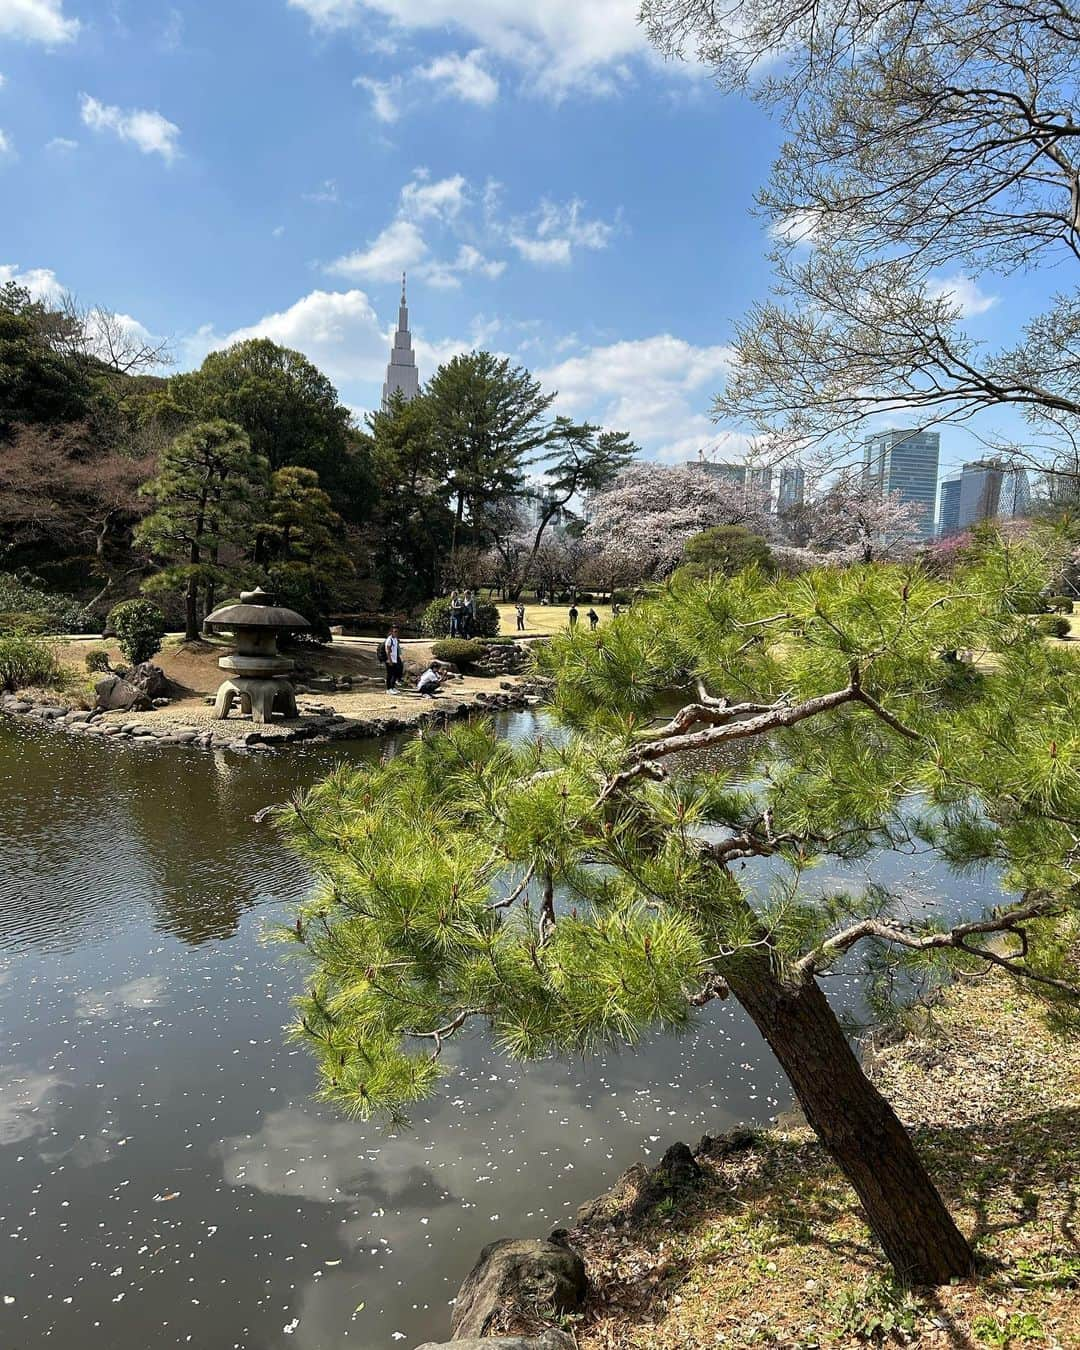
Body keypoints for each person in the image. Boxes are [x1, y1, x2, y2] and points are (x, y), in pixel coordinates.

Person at [383, 625, 403, 695]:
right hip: (390, 660)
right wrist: (390, 660)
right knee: (389, 675)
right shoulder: (389, 640)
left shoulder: (395, 639)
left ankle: (393, 687)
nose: (396, 633)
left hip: (394, 660)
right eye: (395, 631)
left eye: (397, 631)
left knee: (395, 674)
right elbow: (387, 651)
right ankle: (388, 689)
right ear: (391, 632)